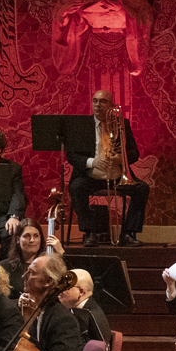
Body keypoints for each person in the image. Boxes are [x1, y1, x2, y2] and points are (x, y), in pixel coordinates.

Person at [63, 90, 148, 245]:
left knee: (142, 188)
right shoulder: (81, 126)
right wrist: (92, 162)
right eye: (95, 101)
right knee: (76, 187)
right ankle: (90, 233)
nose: (98, 105)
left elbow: (134, 153)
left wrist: (121, 158)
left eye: (103, 101)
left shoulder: (122, 124)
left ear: (111, 105)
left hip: (116, 175)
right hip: (90, 176)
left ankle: (128, 233)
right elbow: (72, 156)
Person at [62, 269, 111, 348]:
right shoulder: (79, 310)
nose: (60, 291)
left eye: (65, 287)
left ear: (81, 292)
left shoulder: (91, 316)